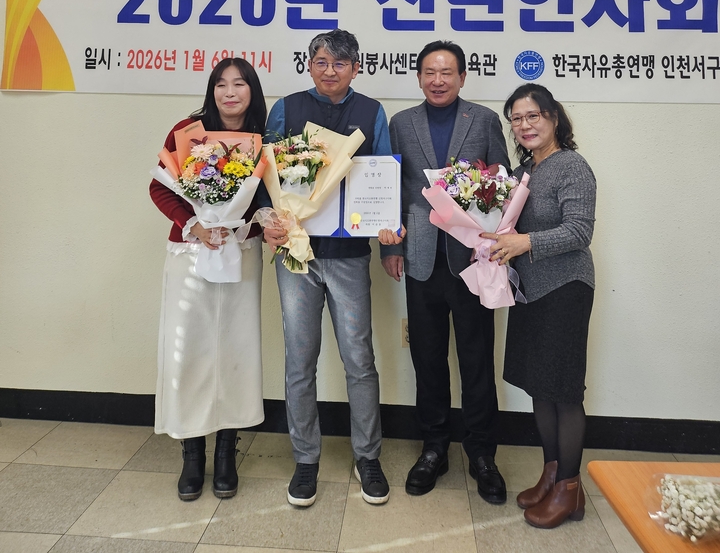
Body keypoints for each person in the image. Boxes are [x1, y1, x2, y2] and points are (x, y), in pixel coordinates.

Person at [263, 29, 392, 508]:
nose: (330, 70)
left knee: (359, 359)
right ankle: (305, 459)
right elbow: (264, 175)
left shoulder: (372, 112)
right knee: (300, 360)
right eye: (321, 61)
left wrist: (388, 229)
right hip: (297, 254)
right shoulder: (286, 108)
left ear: (356, 68)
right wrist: (268, 223)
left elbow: (383, 176)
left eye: (340, 63)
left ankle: (368, 456)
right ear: (309, 66)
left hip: (350, 255)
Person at [379, 40, 510, 503]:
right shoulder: (401, 123)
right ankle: (433, 447)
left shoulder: (484, 120)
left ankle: (482, 454)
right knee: (428, 359)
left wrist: (494, 243)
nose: (438, 80)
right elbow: (391, 188)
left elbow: (501, 187)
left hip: (472, 260)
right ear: (419, 77)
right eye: (430, 73)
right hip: (420, 257)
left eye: (447, 72)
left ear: (462, 77)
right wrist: (389, 247)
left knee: (477, 359)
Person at [149, 58, 267, 501]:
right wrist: (195, 225)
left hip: (241, 255)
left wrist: (246, 224)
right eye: (221, 84)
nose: (229, 92)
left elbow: (271, 198)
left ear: (252, 91)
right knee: (191, 351)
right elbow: (160, 187)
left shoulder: (264, 139)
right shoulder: (188, 132)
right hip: (191, 253)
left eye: (239, 84)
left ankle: (226, 452)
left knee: (236, 350)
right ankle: (192, 453)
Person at [482, 83, 596, 528]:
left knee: (563, 391)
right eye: (517, 118)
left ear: (554, 118)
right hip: (529, 290)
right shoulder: (524, 170)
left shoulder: (572, 166)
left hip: (566, 288)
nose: (525, 125)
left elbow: (579, 231)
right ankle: (551, 474)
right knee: (539, 386)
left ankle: (570, 488)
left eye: (534, 116)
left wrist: (523, 242)